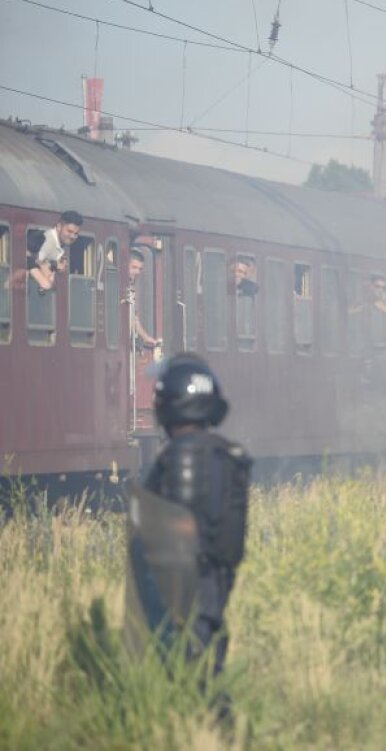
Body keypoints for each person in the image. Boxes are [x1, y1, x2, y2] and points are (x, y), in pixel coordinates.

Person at [125, 354, 250, 720]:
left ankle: (208, 731)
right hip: (214, 584)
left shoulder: (184, 460)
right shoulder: (225, 456)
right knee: (207, 663)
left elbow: (174, 534)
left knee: (191, 672)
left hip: (182, 589)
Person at [28, 210, 83, 291]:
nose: (72, 236)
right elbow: (35, 261)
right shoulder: (47, 240)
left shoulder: (59, 246)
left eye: (76, 234)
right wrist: (54, 265)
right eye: (69, 231)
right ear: (59, 227)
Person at [126, 248, 161, 349]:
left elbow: (133, 318)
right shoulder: (117, 285)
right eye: (134, 267)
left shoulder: (131, 286)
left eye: (140, 269)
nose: (137, 272)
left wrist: (146, 338)